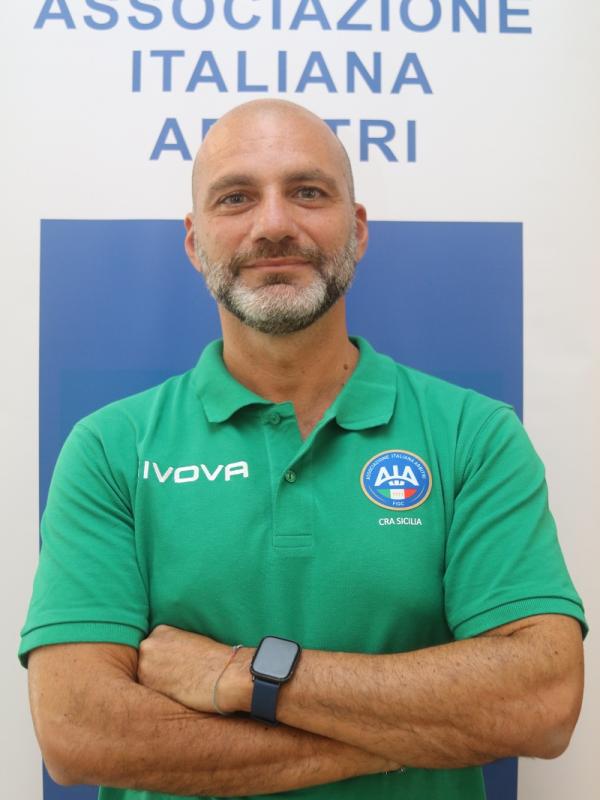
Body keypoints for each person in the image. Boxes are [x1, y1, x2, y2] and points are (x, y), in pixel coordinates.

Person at [21, 99, 586, 800]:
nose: (274, 225)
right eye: (236, 198)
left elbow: (541, 701)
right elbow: (79, 732)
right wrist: (402, 738)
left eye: (308, 192)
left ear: (357, 229)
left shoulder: (474, 434)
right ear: (195, 243)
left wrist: (239, 674)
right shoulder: (111, 448)